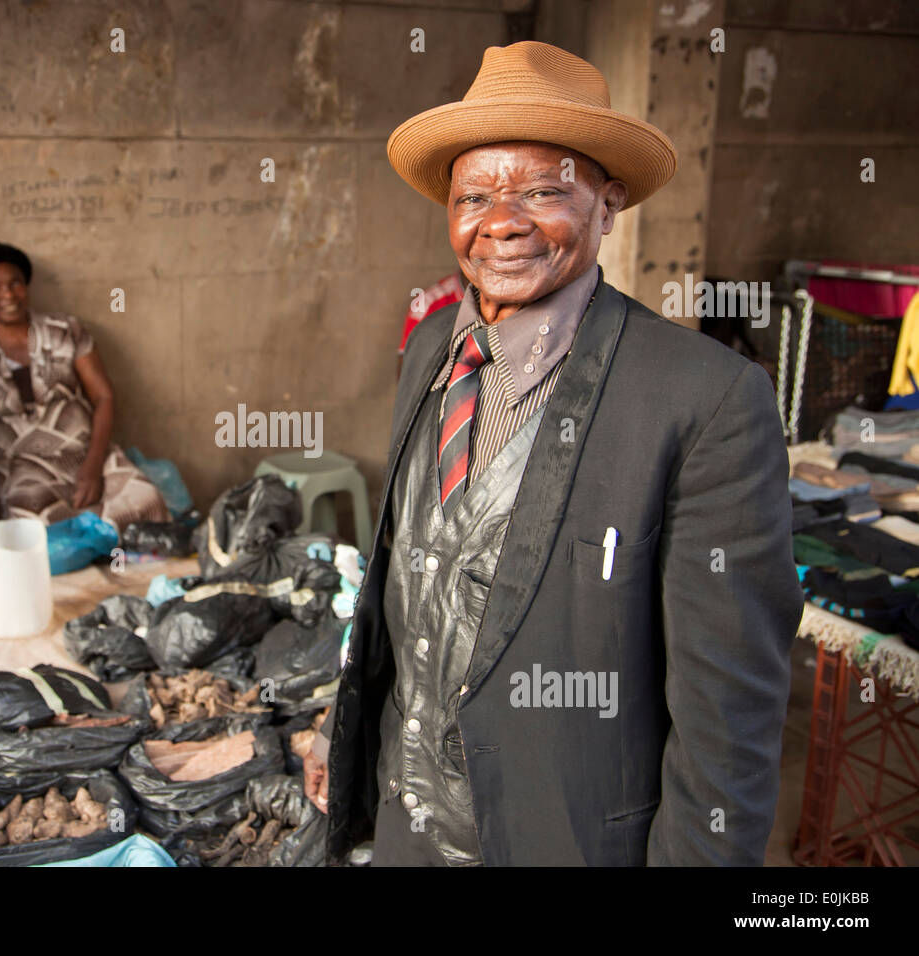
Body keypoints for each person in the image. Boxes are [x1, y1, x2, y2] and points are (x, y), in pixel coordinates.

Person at [306, 41, 803, 865]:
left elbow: (730, 725)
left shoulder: (702, 400)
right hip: (406, 826)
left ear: (608, 204)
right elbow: (404, 574)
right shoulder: (433, 344)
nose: (501, 221)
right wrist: (345, 724)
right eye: (474, 195)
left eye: (544, 190)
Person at [0, 242, 169, 529]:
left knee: (146, 500)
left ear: (27, 286)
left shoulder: (65, 331)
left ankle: (112, 557)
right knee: (37, 528)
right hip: (23, 468)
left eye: (16, 283)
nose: (8, 294)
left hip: (85, 453)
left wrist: (94, 466)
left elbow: (104, 397)